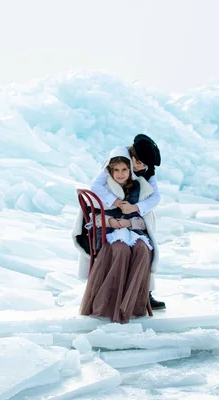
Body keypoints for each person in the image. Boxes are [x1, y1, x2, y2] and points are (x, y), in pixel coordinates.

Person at [72, 147, 160, 323]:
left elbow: (145, 218)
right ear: (110, 171)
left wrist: (130, 220)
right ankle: (108, 302)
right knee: (120, 250)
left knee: (142, 249)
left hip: (132, 231)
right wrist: (110, 220)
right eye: (116, 170)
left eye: (125, 170)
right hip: (109, 233)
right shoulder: (104, 187)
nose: (120, 174)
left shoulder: (139, 186)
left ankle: (134, 303)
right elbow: (92, 216)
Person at [90, 134, 165, 310]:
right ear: (131, 155)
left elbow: (156, 196)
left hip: (135, 215)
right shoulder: (118, 161)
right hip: (111, 216)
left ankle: (145, 292)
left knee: (145, 247)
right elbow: (96, 186)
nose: (140, 167)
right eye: (137, 162)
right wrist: (115, 202)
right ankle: (115, 295)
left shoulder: (147, 168)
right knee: (123, 249)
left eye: (144, 164)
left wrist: (136, 207)